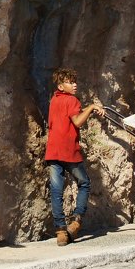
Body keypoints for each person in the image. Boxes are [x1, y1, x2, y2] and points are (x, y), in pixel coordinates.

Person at [44, 67, 103, 246]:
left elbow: (69, 115)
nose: (75, 84)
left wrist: (86, 109)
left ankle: (61, 231)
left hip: (53, 151)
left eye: (75, 81)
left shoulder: (54, 100)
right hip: (69, 151)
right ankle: (76, 221)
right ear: (61, 86)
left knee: (56, 191)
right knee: (84, 183)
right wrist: (92, 107)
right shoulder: (72, 100)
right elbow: (77, 120)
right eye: (70, 82)